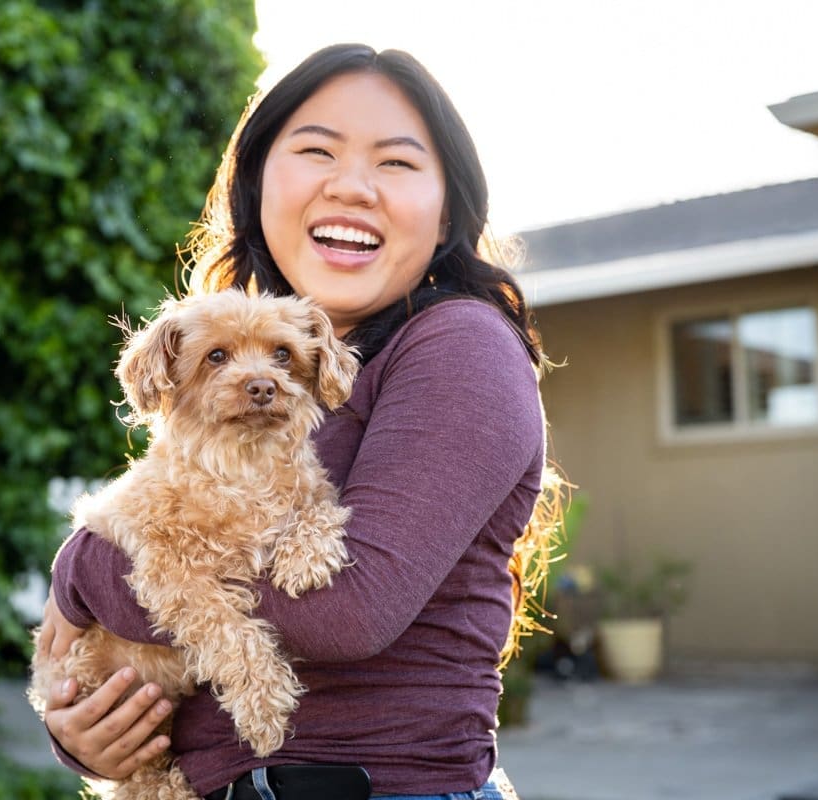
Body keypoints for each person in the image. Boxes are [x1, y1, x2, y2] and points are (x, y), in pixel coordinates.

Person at [36, 42, 563, 800]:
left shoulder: (460, 344)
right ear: (256, 181)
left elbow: (349, 611)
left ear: (447, 206)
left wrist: (84, 570)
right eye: (317, 151)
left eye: (396, 162)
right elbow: (146, 662)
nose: (352, 187)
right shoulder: (225, 361)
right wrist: (89, 734)